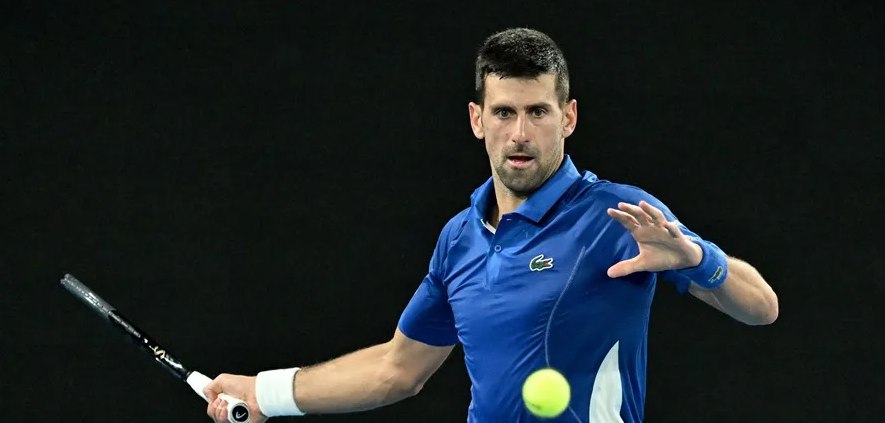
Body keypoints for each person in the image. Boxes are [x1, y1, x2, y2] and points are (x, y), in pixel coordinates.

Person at [204, 28, 778, 423]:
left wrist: (698, 259)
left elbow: (761, 306)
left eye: (538, 112)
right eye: (504, 112)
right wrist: (266, 392)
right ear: (478, 120)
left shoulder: (619, 215)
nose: (520, 133)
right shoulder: (459, 239)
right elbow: (396, 369)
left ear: (569, 117)